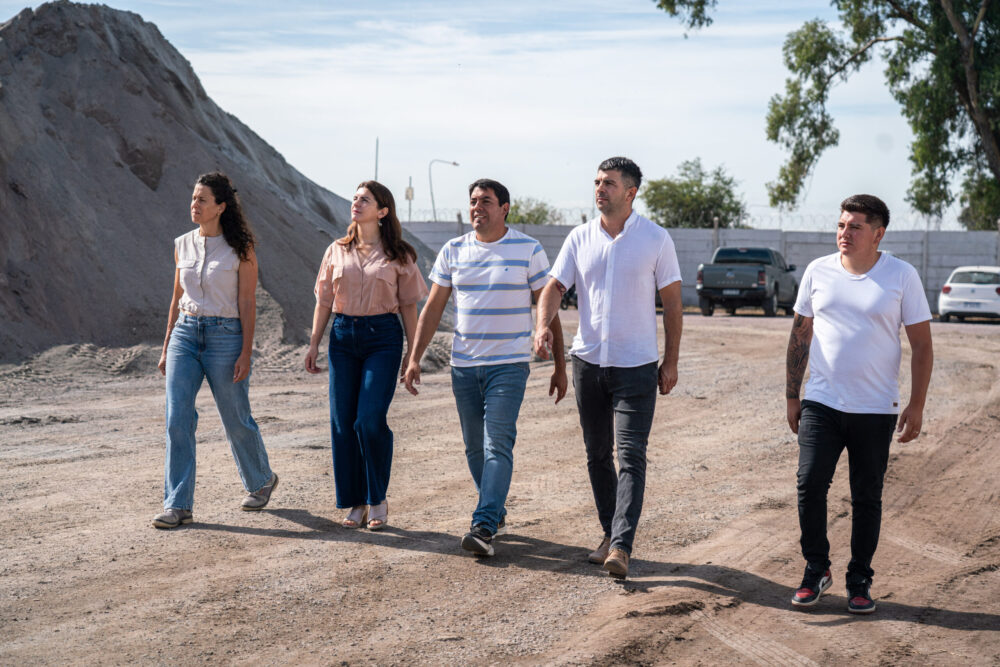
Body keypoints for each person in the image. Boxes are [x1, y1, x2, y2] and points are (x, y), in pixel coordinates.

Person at [535, 157, 682, 579]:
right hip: (588, 364)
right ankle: (608, 532)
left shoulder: (656, 239)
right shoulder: (580, 237)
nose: (600, 188)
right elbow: (553, 288)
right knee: (597, 454)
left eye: (610, 183)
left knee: (631, 455)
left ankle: (621, 545)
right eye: (598, 181)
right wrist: (542, 325)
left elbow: (673, 305)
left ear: (631, 192)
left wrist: (670, 360)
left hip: (636, 366)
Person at [786, 194, 933, 614]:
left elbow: (922, 345)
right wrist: (792, 394)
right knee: (810, 483)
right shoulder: (818, 271)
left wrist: (917, 404)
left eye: (854, 227)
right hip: (822, 402)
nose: (843, 233)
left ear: (878, 232)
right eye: (840, 225)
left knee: (866, 497)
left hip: (875, 407)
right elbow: (800, 335)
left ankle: (859, 579)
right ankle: (816, 568)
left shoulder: (901, 275)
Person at [403, 178, 565, 557]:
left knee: (497, 443)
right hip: (464, 366)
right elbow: (432, 310)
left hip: (508, 365)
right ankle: (495, 507)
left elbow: (548, 307)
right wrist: (414, 358)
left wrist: (560, 364)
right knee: (474, 449)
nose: (478, 207)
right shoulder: (453, 250)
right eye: (473, 201)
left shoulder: (529, 249)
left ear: (504, 207)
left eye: (486, 201)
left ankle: (484, 525)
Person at [153, 172, 278, 529]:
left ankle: (261, 481)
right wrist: (166, 347)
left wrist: (245, 353)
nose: (194, 205)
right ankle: (177, 504)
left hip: (226, 335)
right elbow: (176, 299)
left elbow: (248, 302)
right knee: (177, 419)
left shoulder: (241, 248)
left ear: (221, 207)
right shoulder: (183, 244)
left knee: (235, 417)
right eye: (193, 198)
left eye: (202, 199)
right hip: (185, 335)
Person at [306, 181, 427, 530]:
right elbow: (324, 301)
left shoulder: (400, 255)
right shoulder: (336, 250)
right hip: (342, 338)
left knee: (369, 420)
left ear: (383, 211)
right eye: (355, 198)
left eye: (365, 199)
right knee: (343, 423)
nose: (356, 203)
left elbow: (409, 307)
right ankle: (355, 501)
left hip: (382, 339)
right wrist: (315, 343)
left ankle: (378, 498)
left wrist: (412, 354)